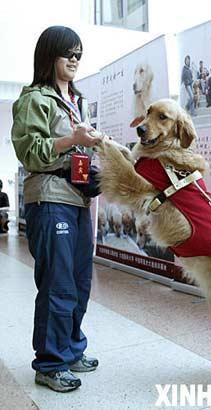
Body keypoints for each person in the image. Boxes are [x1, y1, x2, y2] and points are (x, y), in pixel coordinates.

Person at [11, 26, 102, 393]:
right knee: (58, 284)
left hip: (78, 199)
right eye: (68, 52)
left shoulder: (74, 99)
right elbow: (29, 151)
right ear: (50, 56)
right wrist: (73, 140)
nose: (75, 59)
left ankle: (70, 349)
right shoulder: (36, 99)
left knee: (79, 283)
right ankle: (50, 363)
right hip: (49, 200)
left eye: (79, 52)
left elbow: (77, 151)